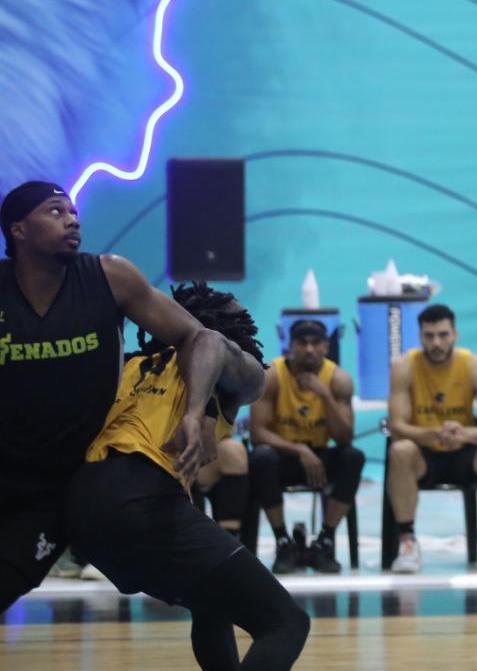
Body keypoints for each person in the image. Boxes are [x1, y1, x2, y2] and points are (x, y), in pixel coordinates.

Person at [0, 181, 232, 610]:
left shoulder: (108, 276)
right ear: (19, 230)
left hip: (60, 485)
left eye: (73, 212)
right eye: (55, 211)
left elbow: (198, 337)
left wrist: (198, 411)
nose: (72, 220)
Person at [65, 282, 309, 670]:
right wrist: (197, 412)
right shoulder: (238, 370)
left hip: (82, 506)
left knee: (211, 604)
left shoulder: (126, 365)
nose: (248, 323)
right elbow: (208, 340)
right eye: (240, 317)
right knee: (287, 623)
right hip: (139, 493)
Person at [385, 304, 477, 574]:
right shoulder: (404, 367)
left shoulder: (475, 367)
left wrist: (464, 434)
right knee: (400, 450)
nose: (436, 343)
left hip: (464, 454)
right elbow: (396, 426)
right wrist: (432, 433)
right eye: (429, 336)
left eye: (443, 335)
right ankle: (407, 542)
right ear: (420, 336)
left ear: (455, 334)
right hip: (424, 455)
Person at [248, 319, 365, 574]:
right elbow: (257, 433)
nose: (309, 349)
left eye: (315, 343)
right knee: (261, 457)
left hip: (320, 457)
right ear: (290, 345)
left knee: (353, 457)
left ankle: (325, 540)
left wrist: (325, 396)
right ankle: (283, 541)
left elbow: (344, 438)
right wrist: (300, 450)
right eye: (302, 343)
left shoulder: (338, 379)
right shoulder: (272, 374)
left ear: (326, 347)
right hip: (284, 455)